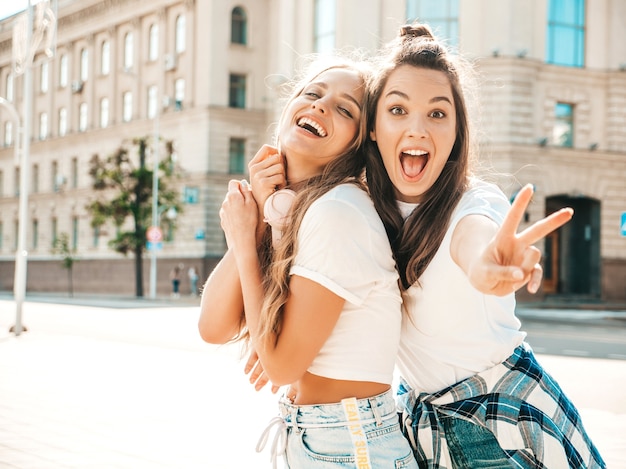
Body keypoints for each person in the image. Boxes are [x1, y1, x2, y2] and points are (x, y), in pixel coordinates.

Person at [363, 22, 606, 468]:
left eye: (437, 114)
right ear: (373, 127)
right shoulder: (366, 211)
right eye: (398, 110)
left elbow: (474, 236)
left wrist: (485, 266)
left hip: (498, 422)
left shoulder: (474, 201)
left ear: (457, 131)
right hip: (423, 420)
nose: (417, 129)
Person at [198, 57, 418, 469]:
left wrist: (245, 243)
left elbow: (281, 366)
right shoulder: (299, 211)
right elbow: (213, 327)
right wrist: (260, 218)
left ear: (359, 142)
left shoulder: (340, 211)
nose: (320, 106)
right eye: (313, 93)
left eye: (344, 109)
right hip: (328, 438)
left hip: (350, 444)